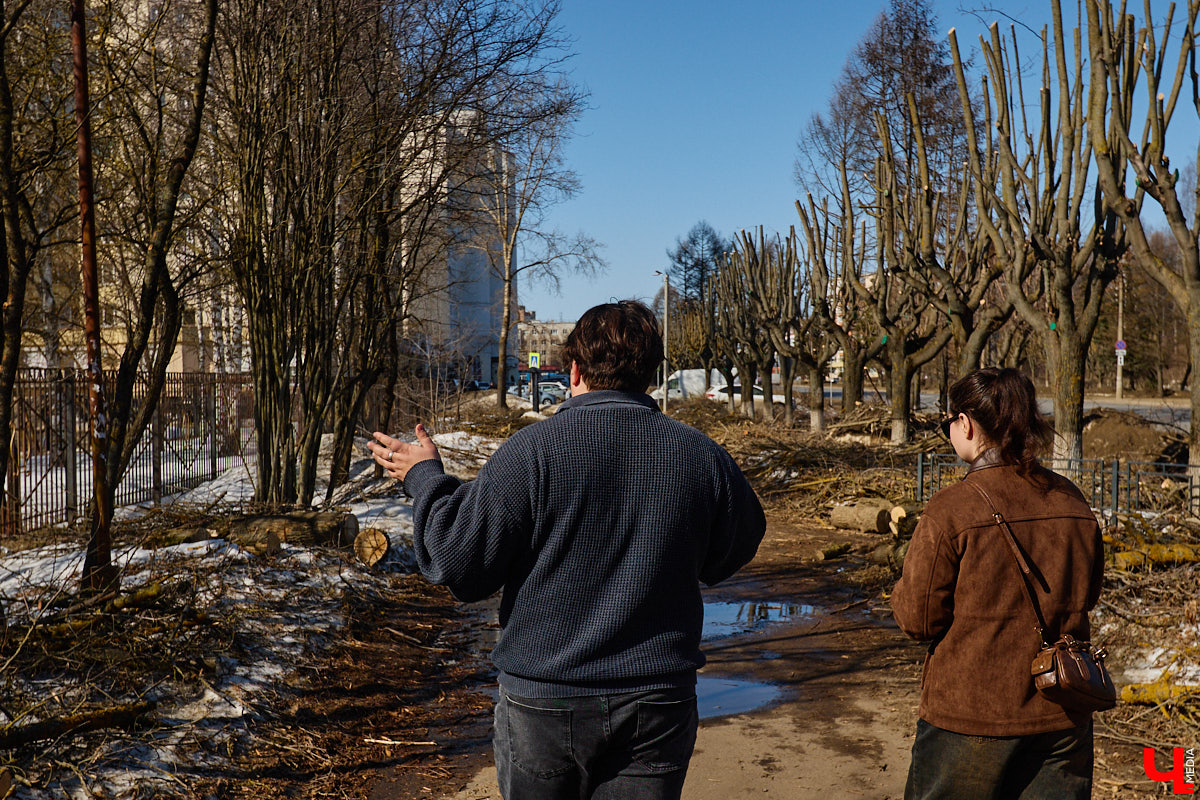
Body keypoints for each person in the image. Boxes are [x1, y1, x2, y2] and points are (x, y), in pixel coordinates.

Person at [369, 299, 765, 800]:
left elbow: (457, 563)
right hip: (656, 702)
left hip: (545, 704)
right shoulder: (697, 454)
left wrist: (426, 477)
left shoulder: (530, 452)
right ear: (649, 374)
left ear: (574, 369)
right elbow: (739, 542)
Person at [891, 368, 1104, 800]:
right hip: (1064, 711)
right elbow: (1089, 593)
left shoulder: (951, 509)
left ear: (965, 422)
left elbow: (918, 619)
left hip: (969, 718)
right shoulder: (1071, 499)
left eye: (948, 421)